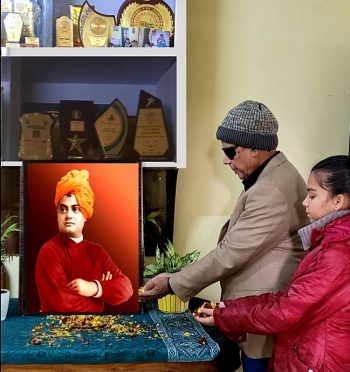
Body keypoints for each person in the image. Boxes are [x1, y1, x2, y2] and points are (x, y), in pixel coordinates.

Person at [139, 100, 309, 371]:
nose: (225, 160)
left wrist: (173, 282)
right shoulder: (269, 177)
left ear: (255, 147)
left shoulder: (271, 190)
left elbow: (230, 252)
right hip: (253, 312)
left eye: (231, 151)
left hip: (263, 315)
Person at [195, 155, 350, 372]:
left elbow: (287, 311)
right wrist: (229, 309)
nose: (304, 202)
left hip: (319, 360)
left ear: (338, 201)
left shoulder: (337, 253)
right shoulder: (329, 243)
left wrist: (227, 316)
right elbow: (290, 298)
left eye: (312, 195)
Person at [35, 169, 133, 312]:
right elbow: (61, 305)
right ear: (57, 215)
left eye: (75, 209)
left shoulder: (97, 252)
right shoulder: (49, 252)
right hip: (57, 331)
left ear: (85, 214)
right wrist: (105, 291)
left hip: (97, 330)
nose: (68, 215)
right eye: (63, 209)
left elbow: (126, 288)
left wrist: (93, 288)